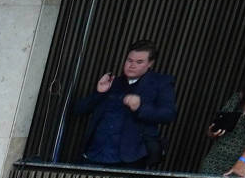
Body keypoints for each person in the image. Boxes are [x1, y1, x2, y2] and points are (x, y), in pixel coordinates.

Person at [73, 39, 176, 167]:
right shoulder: (113, 82)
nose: (132, 65)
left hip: (130, 158)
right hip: (94, 154)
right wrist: (99, 93)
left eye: (139, 62)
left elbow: (168, 114)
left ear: (150, 63)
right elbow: (78, 110)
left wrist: (140, 107)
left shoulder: (160, 83)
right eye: (129, 60)